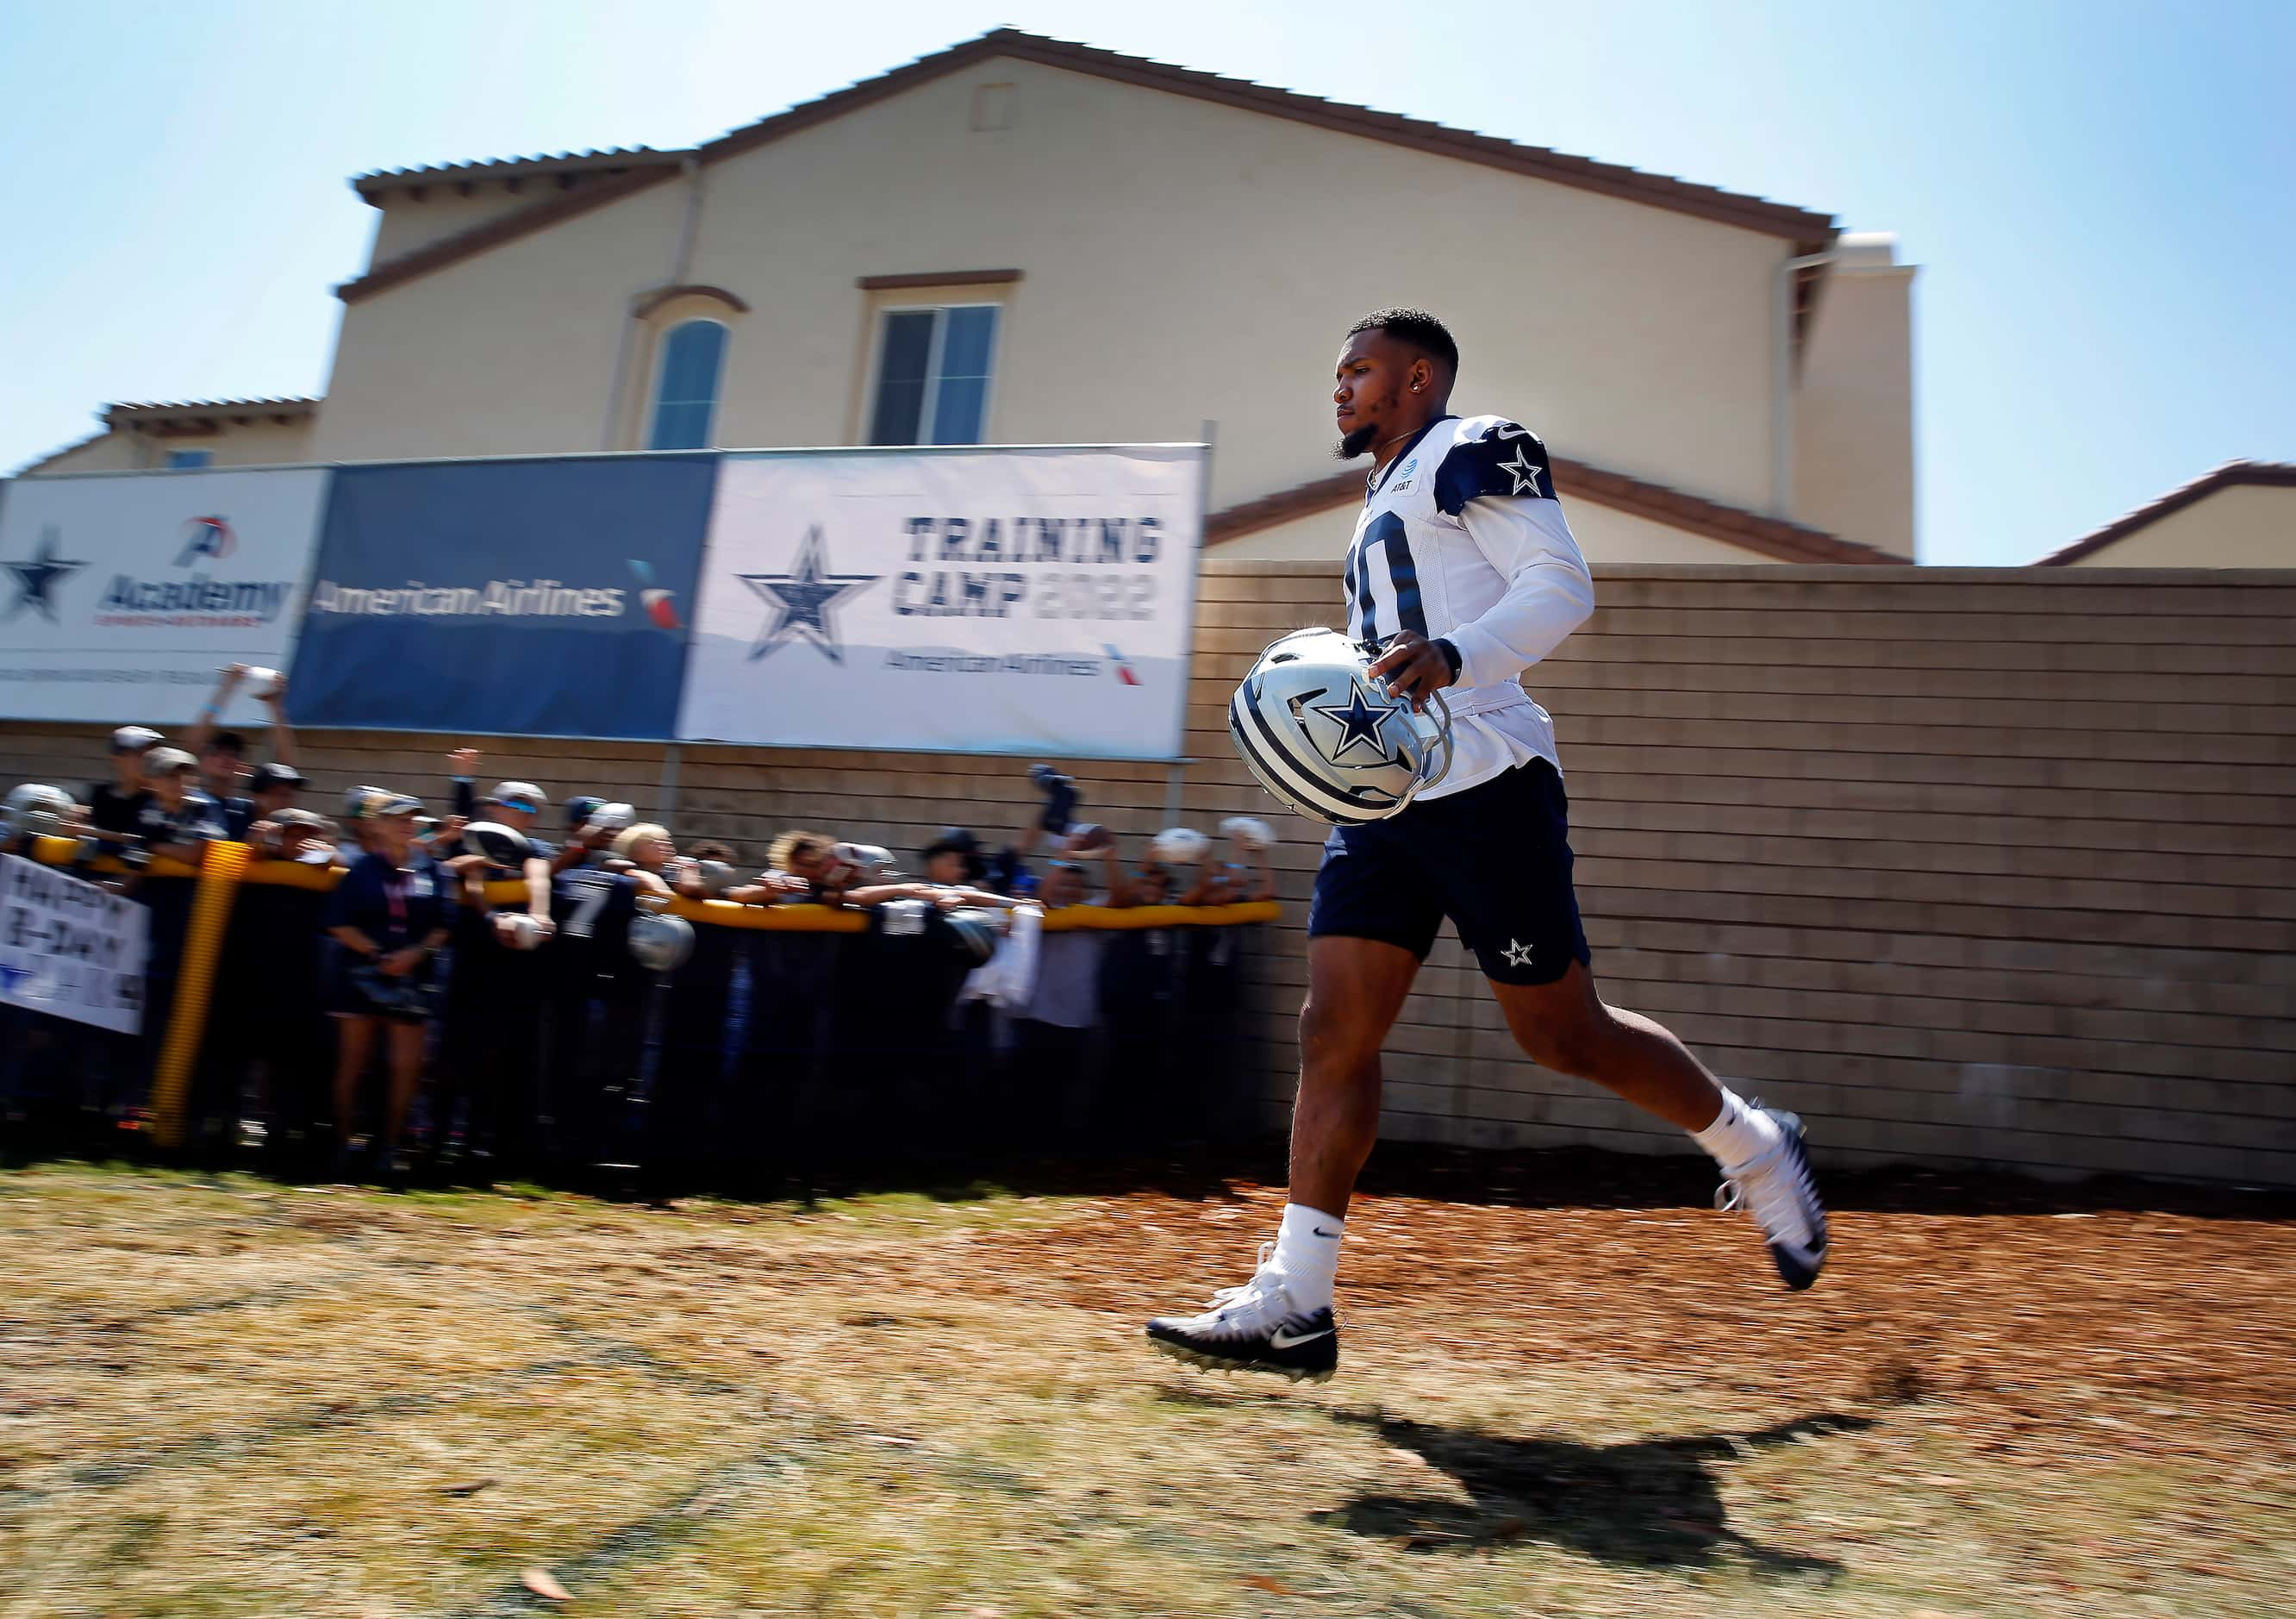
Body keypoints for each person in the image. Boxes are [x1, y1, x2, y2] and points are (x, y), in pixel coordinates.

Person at [1146, 309, 1828, 1384]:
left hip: (1490, 785)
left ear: (1418, 379)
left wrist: (1459, 654)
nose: (1340, 391)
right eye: (1337, 375)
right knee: (1335, 1032)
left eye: (1358, 372)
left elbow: (1562, 588)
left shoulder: (1474, 448)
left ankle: (1752, 1142)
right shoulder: (1378, 493)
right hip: (1387, 801)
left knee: (1565, 1035)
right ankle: (1299, 1301)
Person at [322, 792, 454, 1179]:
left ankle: (389, 1146)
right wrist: (379, 955)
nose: (405, 824)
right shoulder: (362, 868)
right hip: (361, 973)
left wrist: (416, 953)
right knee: (352, 1063)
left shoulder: (432, 869)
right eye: (396, 818)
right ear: (376, 824)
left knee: (406, 1067)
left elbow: (444, 923)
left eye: (412, 818)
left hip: (414, 976)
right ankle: (343, 1142)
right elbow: (337, 921)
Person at [87, 725, 160, 839]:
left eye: (153, 755)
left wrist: (86, 832)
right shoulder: (100, 795)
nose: (149, 760)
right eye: (140, 754)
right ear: (117, 759)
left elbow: (143, 842)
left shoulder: (161, 799)